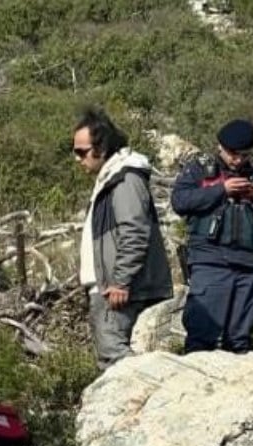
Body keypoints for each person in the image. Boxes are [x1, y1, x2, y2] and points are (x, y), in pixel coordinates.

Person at [172, 119, 253, 353]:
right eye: (233, 154)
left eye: (244, 155)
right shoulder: (199, 169)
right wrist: (221, 190)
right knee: (202, 338)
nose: (238, 160)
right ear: (220, 147)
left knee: (240, 343)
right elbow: (180, 201)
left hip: (249, 267)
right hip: (210, 262)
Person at [72, 107, 173, 370]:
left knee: (115, 361)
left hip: (118, 290)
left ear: (102, 147)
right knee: (116, 359)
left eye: (82, 152)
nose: (78, 159)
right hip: (113, 286)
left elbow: (134, 231)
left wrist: (120, 280)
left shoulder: (125, 179)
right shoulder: (113, 178)